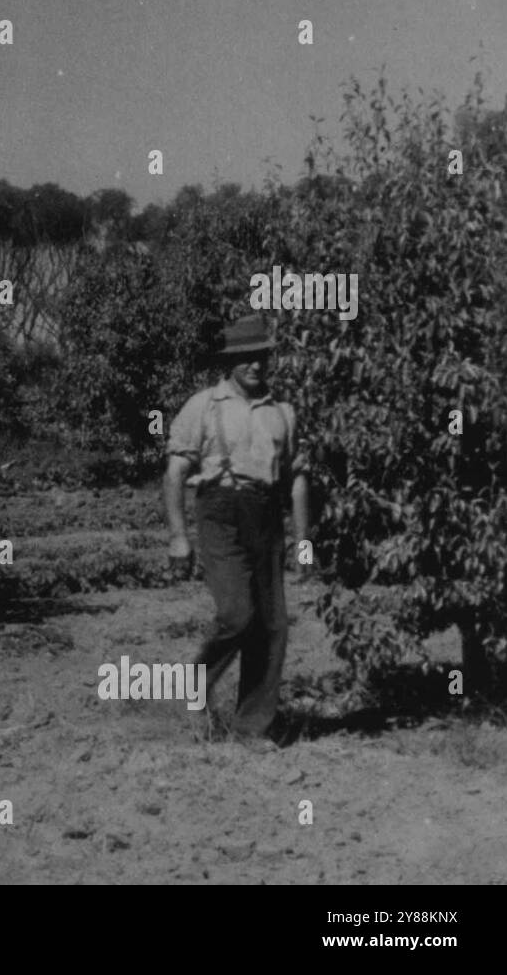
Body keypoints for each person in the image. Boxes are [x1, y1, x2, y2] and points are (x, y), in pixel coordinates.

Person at [162, 313, 311, 749]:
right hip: (220, 513)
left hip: (266, 516)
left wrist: (303, 542)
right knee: (236, 614)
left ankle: (251, 727)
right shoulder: (203, 405)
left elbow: (296, 480)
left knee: (272, 625)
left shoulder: (283, 412)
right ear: (230, 361)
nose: (255, 365)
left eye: (261, 356)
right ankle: (195, 684)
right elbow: (174, 474)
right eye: (245, 357)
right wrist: (178, 536)